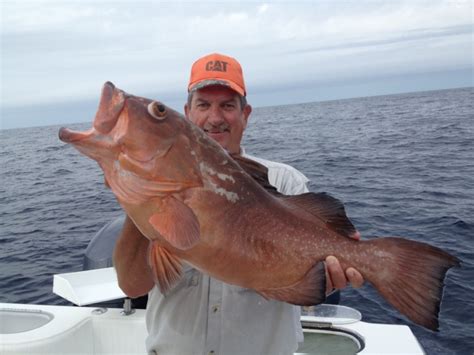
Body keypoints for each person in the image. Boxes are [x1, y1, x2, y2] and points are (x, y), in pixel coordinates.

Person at [113, 53, 364, 355]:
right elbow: (132, 286)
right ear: (187, 114)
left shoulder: (285, 182)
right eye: (203, 104)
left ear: (245, 114)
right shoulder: (154, 183)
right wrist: (148, 201)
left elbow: (309, 291)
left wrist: (327, 279)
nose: (215, 118)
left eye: (228, 105)